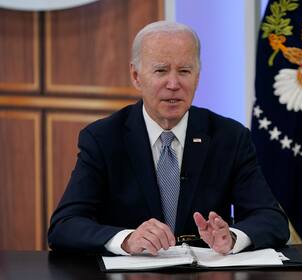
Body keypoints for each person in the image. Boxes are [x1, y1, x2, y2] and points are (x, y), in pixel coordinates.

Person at [48, 21, 289, 256]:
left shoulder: (230, 137)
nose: (173, 84)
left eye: (184, 71)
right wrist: (127, 240)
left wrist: (233, 238)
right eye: (161, 70)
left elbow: (272, 220)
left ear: (197, 76)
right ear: (136, 76)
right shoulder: (103, 138)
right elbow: (64, 226)